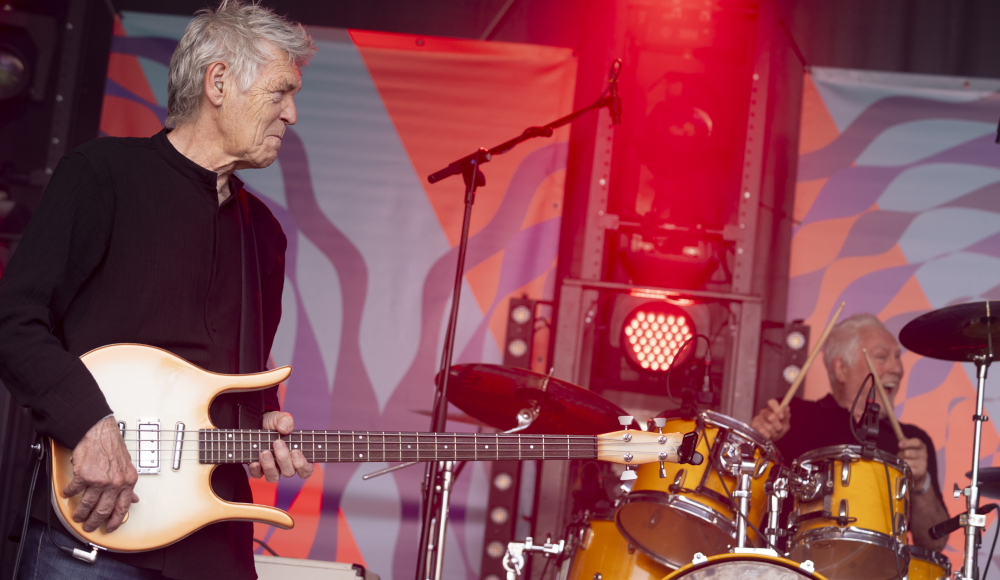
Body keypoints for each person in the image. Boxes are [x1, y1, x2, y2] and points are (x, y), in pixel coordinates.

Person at [0, 2, 316, 579]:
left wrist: (264, 426)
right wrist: (88, 423)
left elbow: (242, 384)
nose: (292, 114)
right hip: (93, 534)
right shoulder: (100, 176)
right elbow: (13, 320)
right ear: (218, 82)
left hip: (211, 548)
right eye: (280, 91)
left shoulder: (264, 233)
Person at [751, 313, 950, 551]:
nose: (897, 368)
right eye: (882, 356)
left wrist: (921, 483)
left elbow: (934, 542)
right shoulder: (793, 415)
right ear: (842, 369)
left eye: (897, 358)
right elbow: (744, 507)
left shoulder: (911, 441)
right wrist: (761, 441)